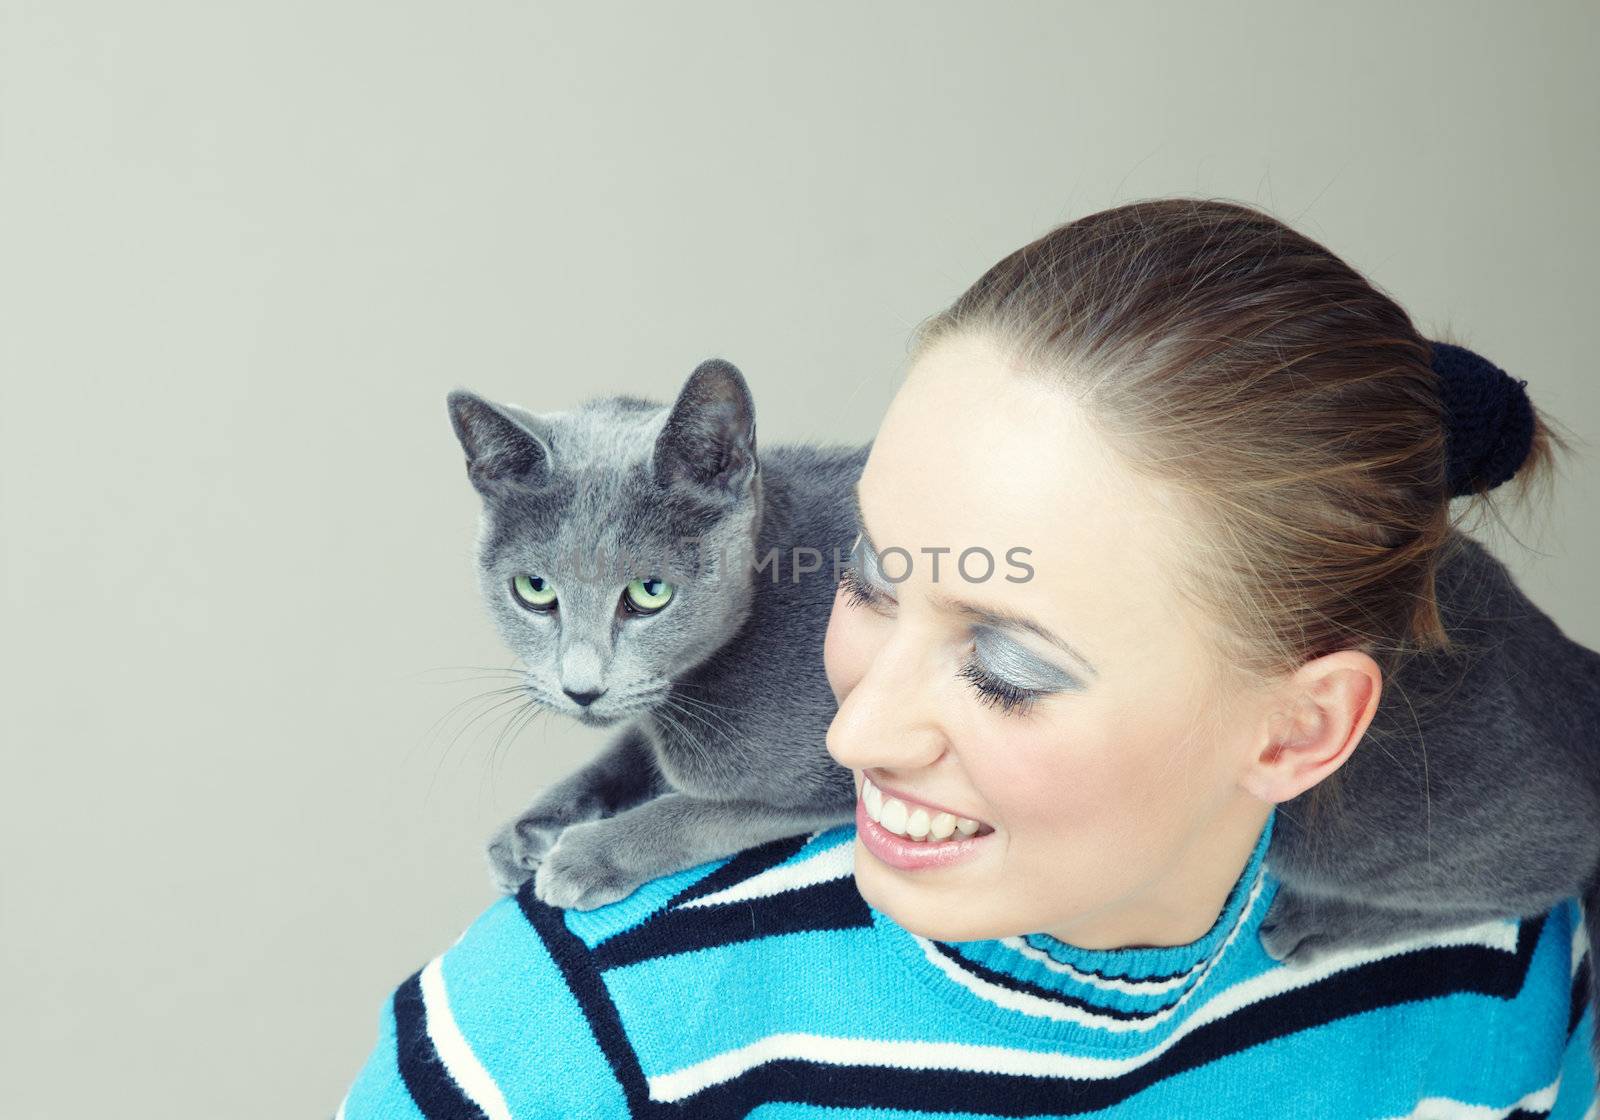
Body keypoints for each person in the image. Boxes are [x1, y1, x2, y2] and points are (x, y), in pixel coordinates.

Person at [335, 199, 1597, 1118]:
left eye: (1008, 666)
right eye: (869, 581)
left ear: (1296, 729)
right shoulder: (565, 1036)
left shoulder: (1504, 975)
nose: (856, 735)